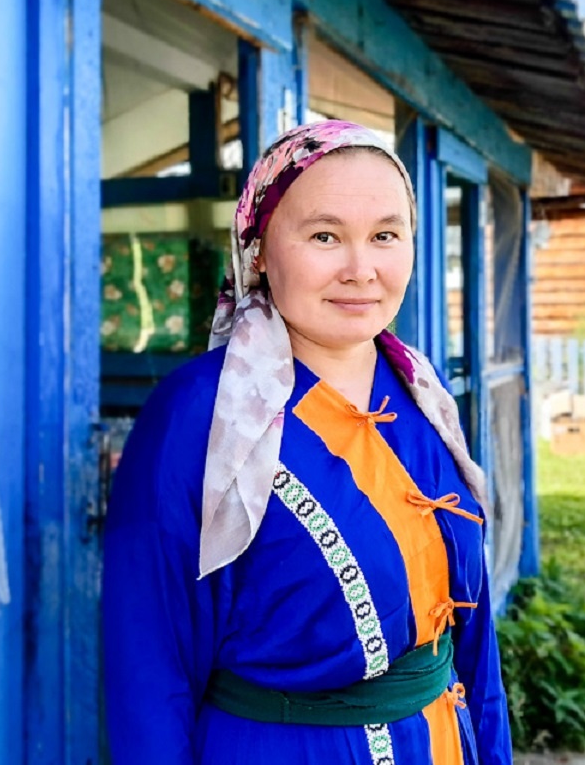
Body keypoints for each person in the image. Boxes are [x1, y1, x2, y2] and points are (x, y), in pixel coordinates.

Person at [102, 120, 512, 765]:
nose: (361, 270)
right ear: (259, 250)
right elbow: (147, 670)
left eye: (385, 236)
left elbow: (476, 643)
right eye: (325, 236)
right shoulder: (198, 416)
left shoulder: (423, 395)